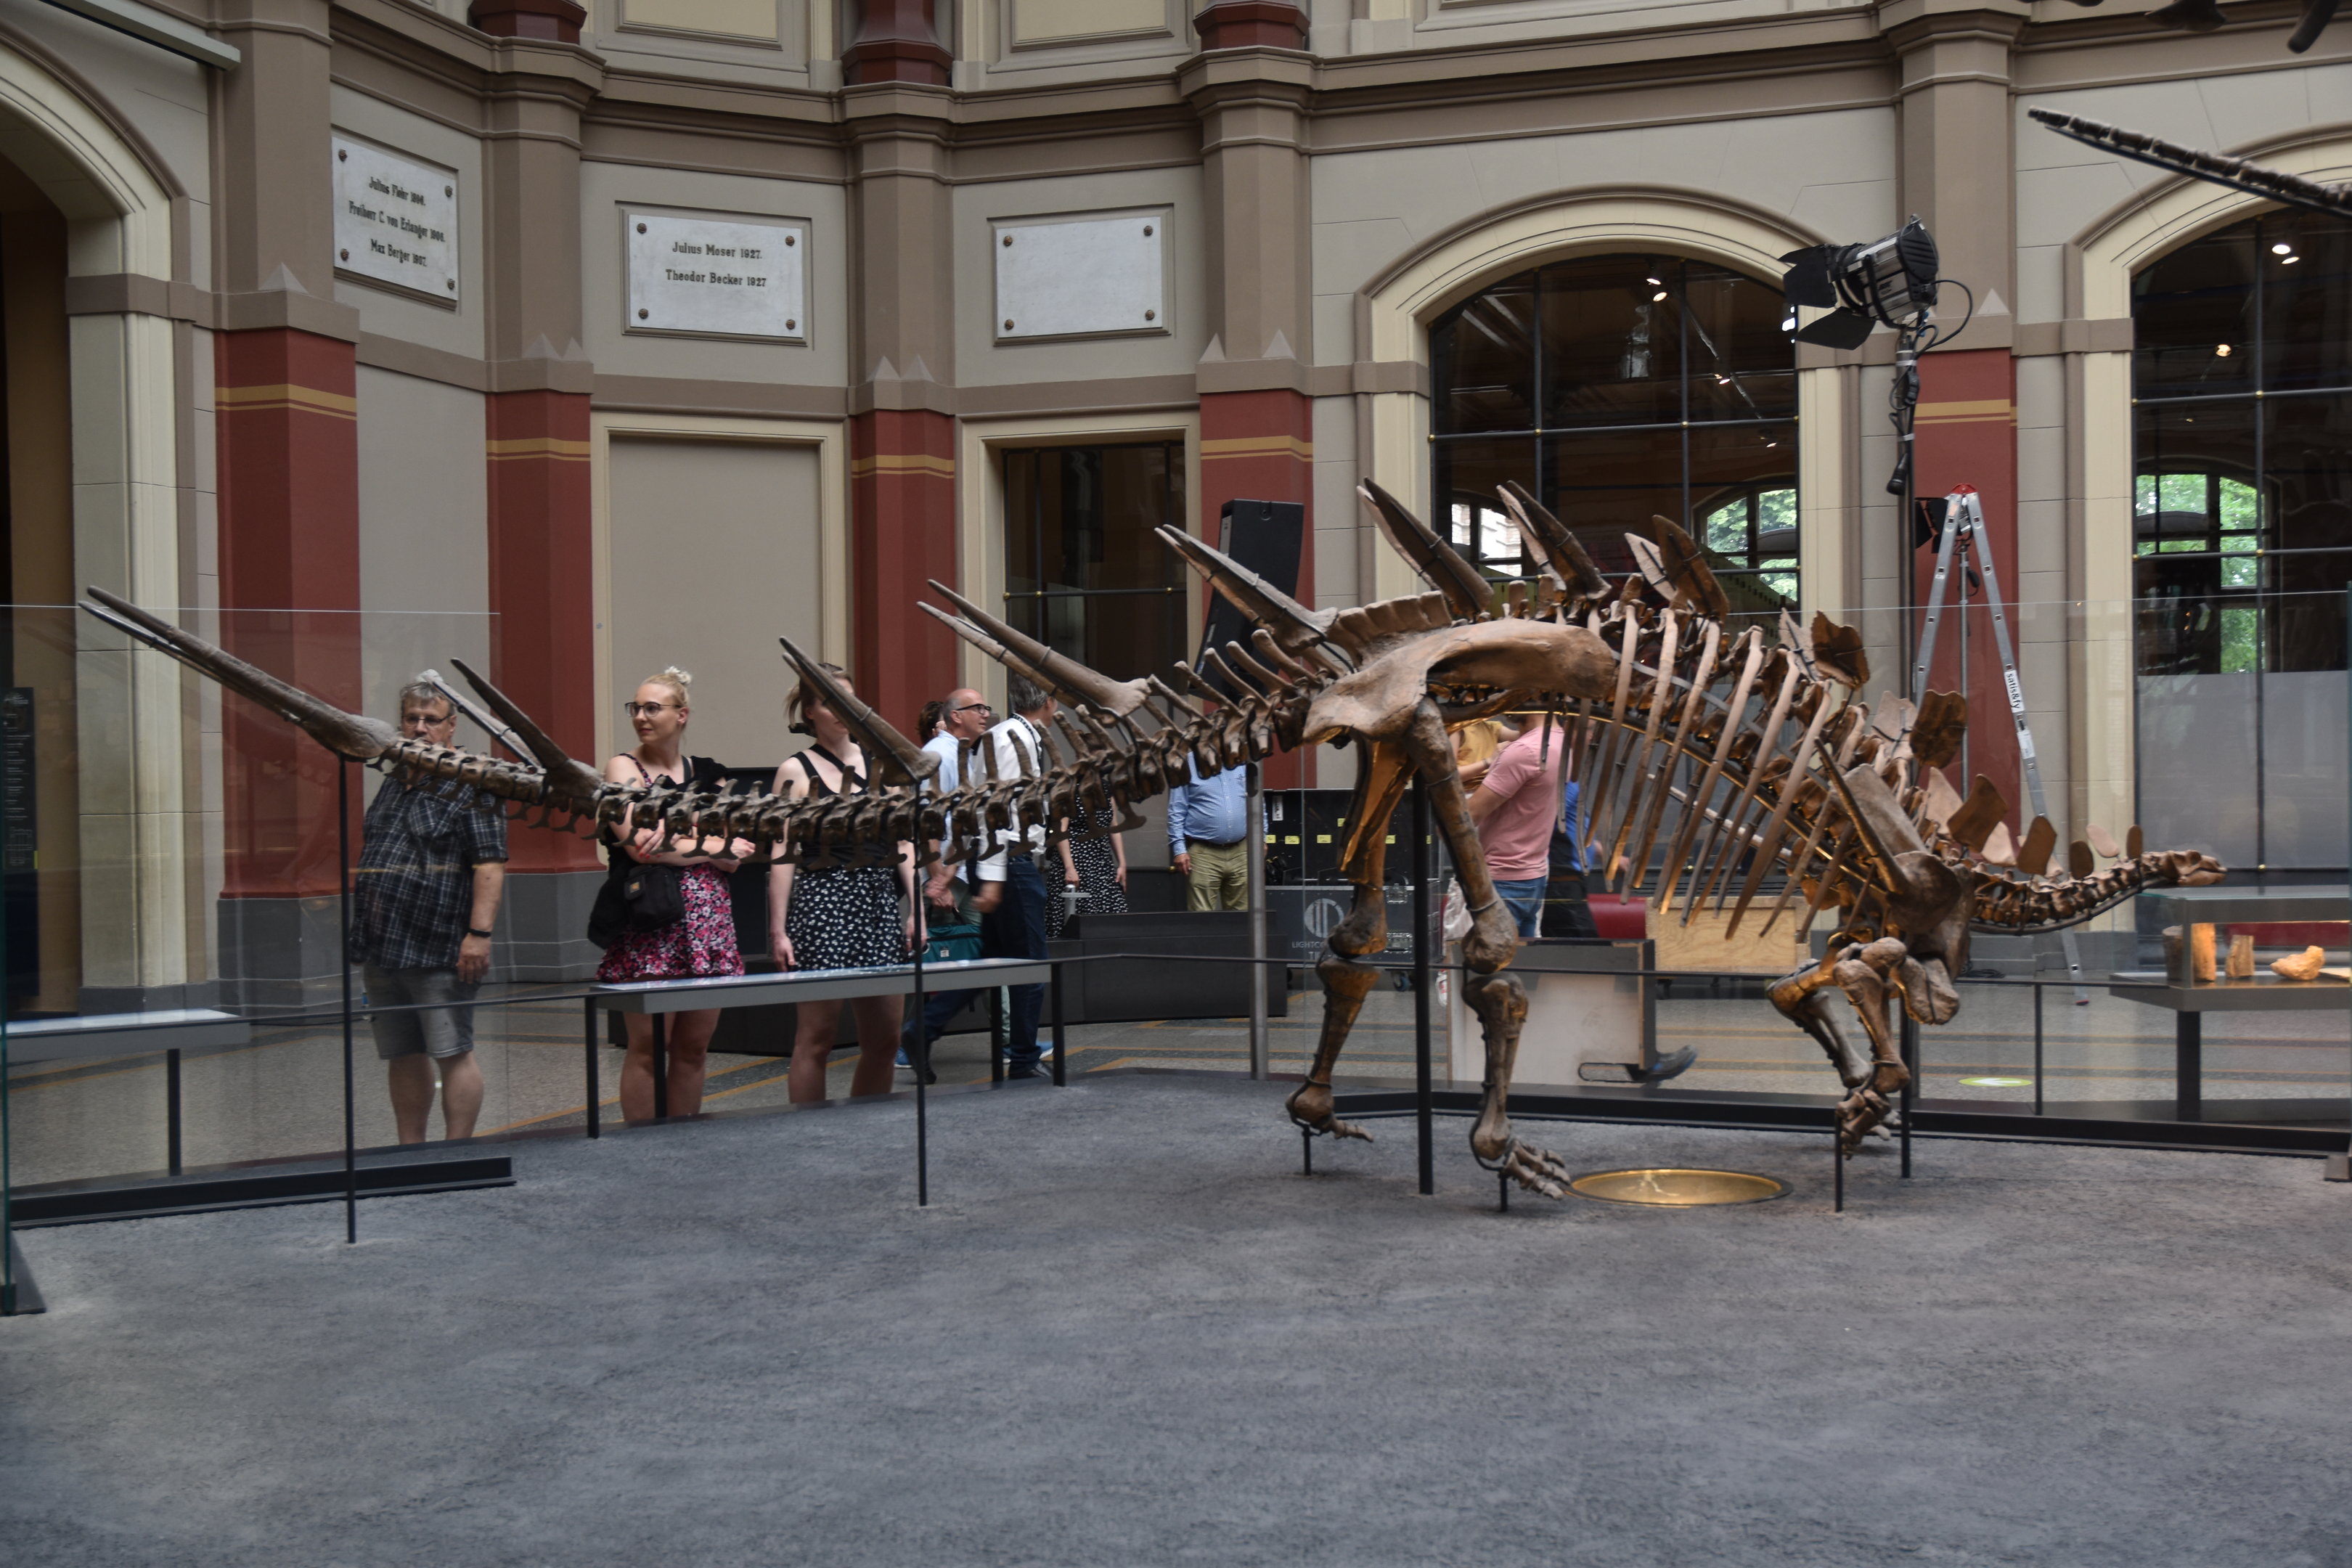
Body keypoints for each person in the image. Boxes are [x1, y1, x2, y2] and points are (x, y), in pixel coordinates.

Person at [351, 681, 507, 1144]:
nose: (420, 728)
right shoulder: (395, 778)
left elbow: (490, 862)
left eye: (431, 720)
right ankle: (410, 1152)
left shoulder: (472, 781)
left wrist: (479, 934)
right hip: (384, 942)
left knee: (452, 1050)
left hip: (440, 944)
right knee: (402, 1053)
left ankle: (456, 1150)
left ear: (451, 725)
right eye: (411, 719)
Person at [597, 668, 747, 1121]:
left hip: (709, 924)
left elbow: (736, 856)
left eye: (652, 708)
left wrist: (675, 841)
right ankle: (642, 1146)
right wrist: (710, 845)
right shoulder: (623, 768)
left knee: (693, 1047)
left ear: (681, 716)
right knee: (647, 1046)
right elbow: (640, 846)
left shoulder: (711, 776)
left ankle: (683, 1141)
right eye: (636, 708)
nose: (641, 717)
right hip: (651, 921)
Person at [769, 665, 918, 1103]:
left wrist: (918, 909)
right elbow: (782, 854)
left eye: (848, 701)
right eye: (830, 702)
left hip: (877, 902)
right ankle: (811, 1132)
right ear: (810, 711)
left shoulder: (882, 763)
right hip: (821, 903)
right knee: (817, 1037)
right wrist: (778, 929)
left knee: (886, 1039)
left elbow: (905, 842)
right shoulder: (793, 771)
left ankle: (865, 1126)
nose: (841, 711)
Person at [902, 686, 993, 1078]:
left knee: (981, 958)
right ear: (956, 715)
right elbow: (930, 819)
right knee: (976, 958)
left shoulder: (960, 753)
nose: (986, 714)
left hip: (959, 872)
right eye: (978, 708)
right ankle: (916, 1034)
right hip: (947, 876)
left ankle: (920, 1032)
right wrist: (938, 879)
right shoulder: (939, 754)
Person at [972, 675, 1055, 1078]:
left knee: (989, 962)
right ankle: (1023, 1059)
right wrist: (993, 875)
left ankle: (923, 1030)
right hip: (1011, 866)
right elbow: (994, 808)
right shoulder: (1012, 739)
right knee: (1030, 968)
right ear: (1050, 701)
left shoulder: (1021, 736)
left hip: (1010, 865)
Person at [1466, 713, 1569, 939]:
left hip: (1503, 879)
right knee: (1519, 965)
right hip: (1533, 875)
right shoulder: (1561, 741)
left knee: (1486, 967)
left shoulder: (1524, 751)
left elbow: (1467, 817)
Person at [1167, 751, 1249, 912]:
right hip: (1204, 853)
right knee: (1202, 918)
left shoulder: (1241, 761)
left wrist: (1262, 837)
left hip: (1241, 852)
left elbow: (1257, 800)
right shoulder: (1187, 763)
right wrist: (1179, 850)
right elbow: (1176, 809)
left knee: (1242, 919)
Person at [1049, 798, 1127, 940]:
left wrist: (1122, 863)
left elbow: (1114, 827)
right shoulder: (1068, 792)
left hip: (1102, 863)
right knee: (1075, 917)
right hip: (1076, 861)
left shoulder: (1106, 793)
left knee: (1110, 914)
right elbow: (1060, 831)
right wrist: (1069, 867)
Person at [1539, 775, 1602, 940]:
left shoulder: (1569, 780)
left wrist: (1613, 859)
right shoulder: (1562, 781)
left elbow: (1577, 832)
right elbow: (1545, 817)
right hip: (1561, 882)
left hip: (1570, 881)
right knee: (1584, 948)